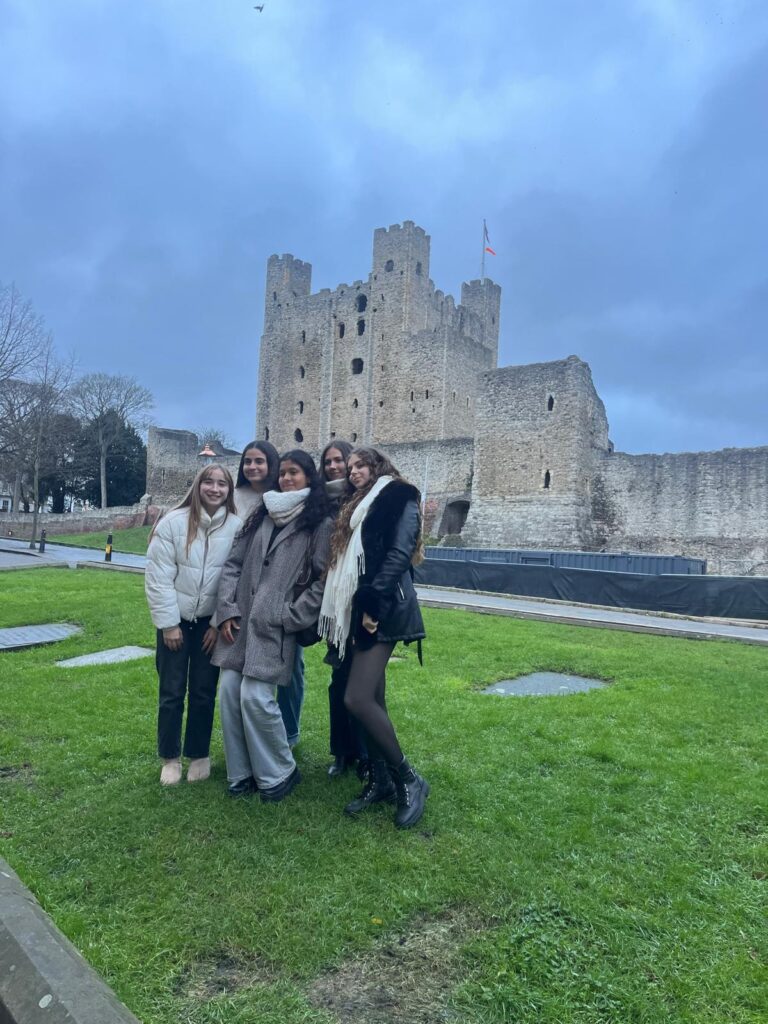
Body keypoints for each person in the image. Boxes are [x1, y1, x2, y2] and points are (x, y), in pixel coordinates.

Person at [213, 450, 332, 801]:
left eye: (294, 473)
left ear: (308, 477)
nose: (286, 479)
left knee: (255, 696)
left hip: (275, 627)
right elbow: (233, 564)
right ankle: (241, 773)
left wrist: (292, 615)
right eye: (283, 473)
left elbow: (324, 578)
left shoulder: (319, 522)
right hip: (240, 623)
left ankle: (280, 772)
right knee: (229, 691)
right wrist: (227, 609)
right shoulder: (263, 512)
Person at [319, 446, 428, 828]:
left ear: (377, 465)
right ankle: (381, 780)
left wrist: (372, 605)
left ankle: (409, 779)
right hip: (360, 610)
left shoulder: (398, 494)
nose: (352, 471)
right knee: (374, 699)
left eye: (360, 465)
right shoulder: (358, 504)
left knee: (357, 697)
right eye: (350, 467)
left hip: (383, 609)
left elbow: (399, 553)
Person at [145, 464, 241, 786]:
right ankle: (170, 758)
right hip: (176, 620)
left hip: (208, 625)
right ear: (198, 486)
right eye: (209, 482)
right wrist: (168, 624)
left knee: (203, 691)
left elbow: (235, 578)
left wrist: (216, 622)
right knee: (171, 692)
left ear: (229, 490)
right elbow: (158, 577)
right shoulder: (173, 523)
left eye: (222, 484)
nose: (215, 489)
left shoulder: (237, 527)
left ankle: (199, 754)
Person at [233, 440, 305, 747]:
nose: (252, 467)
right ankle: (250, 737)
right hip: (242, 591)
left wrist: (290, 611)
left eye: (259, 461)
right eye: (248, 461)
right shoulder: (233, 495)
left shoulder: (283, 499)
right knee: (239, 676)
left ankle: (288, 732)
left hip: (277, 603)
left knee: (289, 669)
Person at [320, 440, 369, 778]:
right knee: (339, 681)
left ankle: (365, 753)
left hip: (358, 596)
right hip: (334, 599)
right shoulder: (322, 502)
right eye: (329, 461)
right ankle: (342, 752)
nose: (335, 467)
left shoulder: (365, 499)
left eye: (341, 460)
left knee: (363, 685)